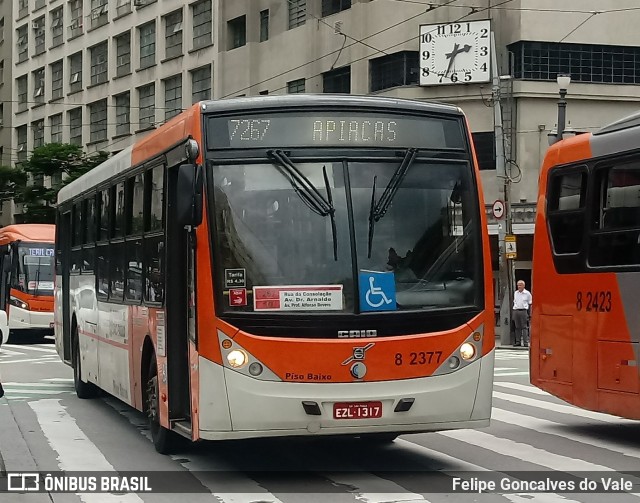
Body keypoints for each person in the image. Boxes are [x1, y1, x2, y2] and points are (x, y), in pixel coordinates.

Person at [512, 280, 532, 347]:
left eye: (520, 285)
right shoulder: (515, 293)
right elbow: (515, 302)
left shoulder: (527, 293)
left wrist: (529, 314)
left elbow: (530, 303)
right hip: (516, 310)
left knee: (524, 327)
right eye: (518, 285)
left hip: (524, 311)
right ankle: (518, 342)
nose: (519, 286)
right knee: (517, 327)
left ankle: (525, 342)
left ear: (524, 285)